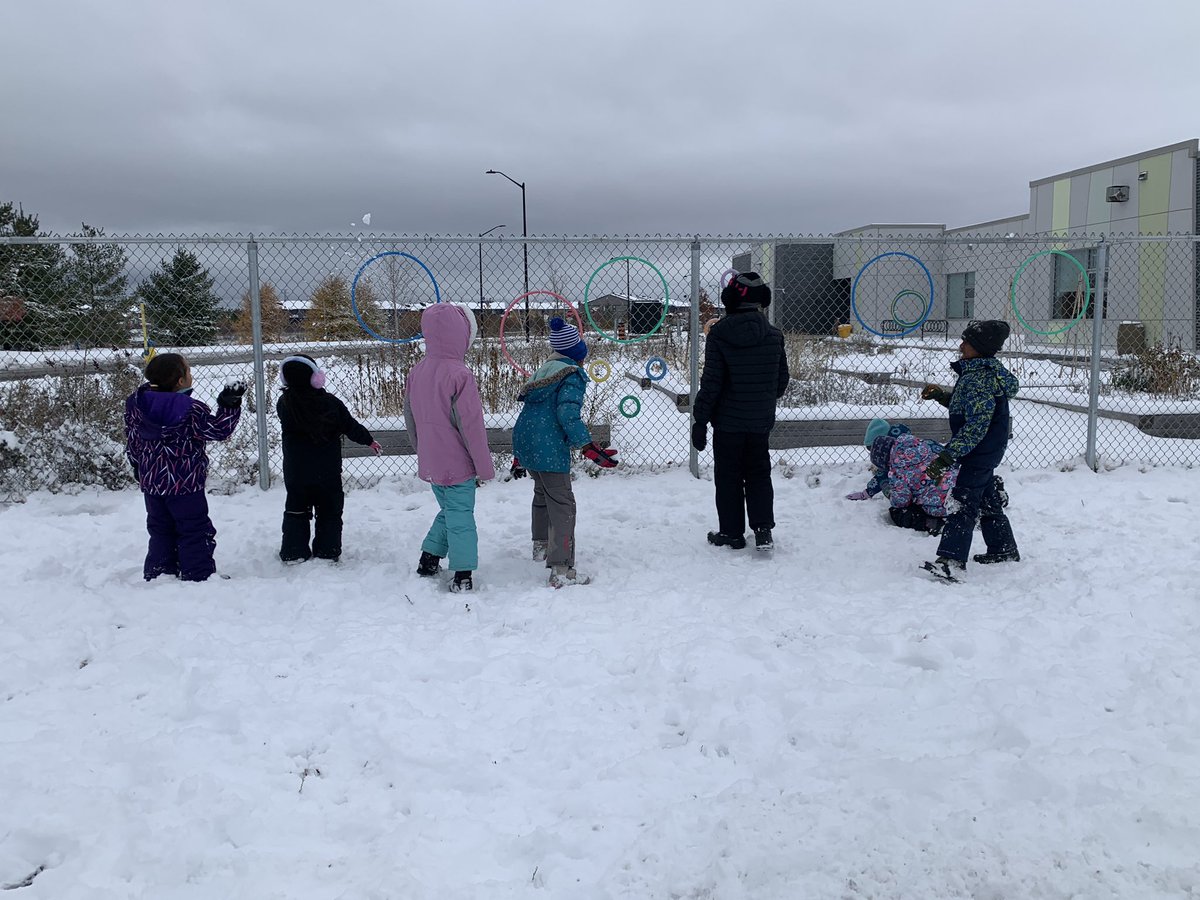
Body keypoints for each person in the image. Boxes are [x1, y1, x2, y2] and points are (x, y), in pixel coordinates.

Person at [512, 316, 617, 588]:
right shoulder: (572, 375)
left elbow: (533, 415)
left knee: (542, 494)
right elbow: (567, 413)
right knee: (563, 503)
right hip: (547, 447)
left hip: (526, 441)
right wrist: (587, 446)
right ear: (576, 354)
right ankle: (561, 569)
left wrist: (519, 453)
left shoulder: (544, 371)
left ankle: (541, 545)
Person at [124, 352, 244, 582]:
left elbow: (132, 437)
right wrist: (229, 405)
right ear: (180, 381)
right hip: (185, 482)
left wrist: (137, 464)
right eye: (188, 371)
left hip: (152, 480)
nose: (191, 374)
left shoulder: (136, 404)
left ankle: (159, 572)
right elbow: (218, 430)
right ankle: (197, 574)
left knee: (160, 528)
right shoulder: (190, 409)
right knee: (194, 529)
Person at [691, 272, 790, 551]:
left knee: (728, 476)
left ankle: (732, 533)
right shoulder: (774, 336)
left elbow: (712, 383)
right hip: (760, 421)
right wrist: (761, 399)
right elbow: (782, 380)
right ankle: (762, 530)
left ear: (730, 299)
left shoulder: (720, 334)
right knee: (759, 473)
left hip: (728, 423)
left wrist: (701, 419)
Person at [404, 303, 496, 592]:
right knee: (460, 518)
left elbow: (410, 417)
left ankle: (429, 558)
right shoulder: (460, 375)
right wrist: (483, 466)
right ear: (461, 336)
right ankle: (463, 573)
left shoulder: (417, 372)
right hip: (458, 462)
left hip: (432, 458)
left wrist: (422, 450)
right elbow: (471, 426)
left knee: (450, 511)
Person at [920, 320, 1021, 581]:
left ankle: (952, 561)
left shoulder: (979, 379)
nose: (961, 345)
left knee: (962, 503)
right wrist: (943, 397)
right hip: (985, 451)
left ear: (980, 348)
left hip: (979, 451)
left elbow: (977, 425)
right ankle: (1003, 548)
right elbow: (968, 408)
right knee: (987, 499)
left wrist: (948, 455)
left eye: (967, 342)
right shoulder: (979, 373)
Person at [276, 354, 380, 564]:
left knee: (296, 508)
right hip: (327, 470)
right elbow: (350, 425)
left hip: (296, 471)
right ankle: (328, 549)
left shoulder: (285, 403)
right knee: (329, 510)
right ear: (316, 378)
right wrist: (368, 440)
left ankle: (294, 551)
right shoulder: (331, 403)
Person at [845, 419, 957, 535]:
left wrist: (889, 492)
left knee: (899, 512)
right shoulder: (923, 445)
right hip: (961, 487)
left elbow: (901, 501)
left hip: (943, 505)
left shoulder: (898, 472)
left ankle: (934, 524)